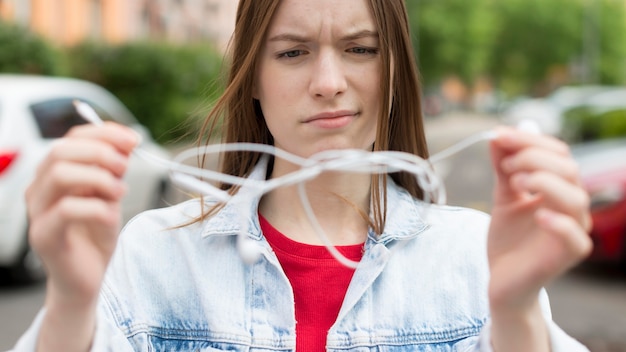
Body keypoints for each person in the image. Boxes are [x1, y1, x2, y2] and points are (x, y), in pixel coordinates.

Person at [13, 0, 592, 351]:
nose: (329, 81)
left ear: (396, 71)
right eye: (292, 52)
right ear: (253, 77)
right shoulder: (154, 256)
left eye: (360, 49)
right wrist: (68, 300)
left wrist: (515, 313)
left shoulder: (476, 257)